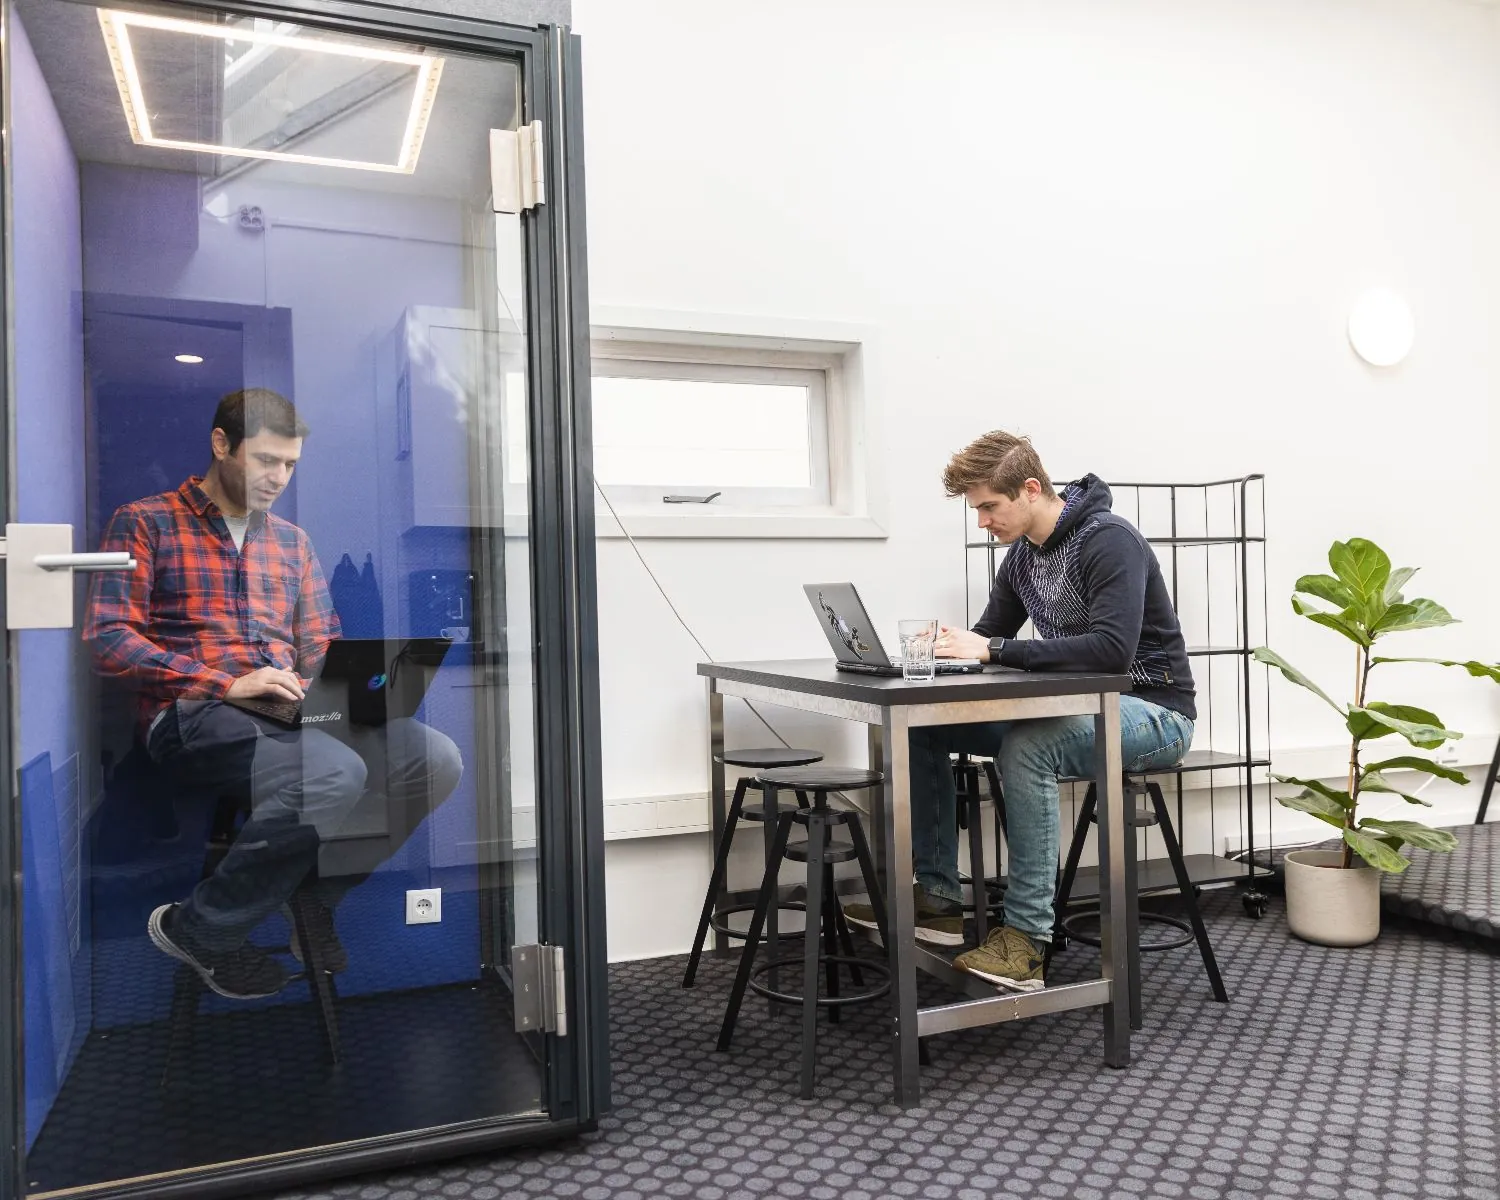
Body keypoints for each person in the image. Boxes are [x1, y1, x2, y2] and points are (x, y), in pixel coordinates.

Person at [85, 388, 463, 1000]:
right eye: (265, 461)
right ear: (221, 445)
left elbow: (318, 643)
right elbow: (107, 639)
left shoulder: (292, 542)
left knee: (435, 758)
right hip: (191, 712)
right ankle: (199, 929)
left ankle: (314, 893)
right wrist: (226, 682)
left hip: (290, 709)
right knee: (334, 772)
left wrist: (364, 681)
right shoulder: (144, 521)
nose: (278, 478)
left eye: (289, 465)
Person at [844, 430, 1196, 992]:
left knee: (1030, 745)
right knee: (925, 725)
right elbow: (992, 638)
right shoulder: (1021, 560)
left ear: (1030, 489)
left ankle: (1027, 942)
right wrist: (946, 647)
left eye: (989, 506)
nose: (982, 520)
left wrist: (995, 649)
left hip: (1154, 710)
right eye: (977, 508)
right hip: (1078, 709)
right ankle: (937, 899)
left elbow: (1112, 652)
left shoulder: (1111, 541)